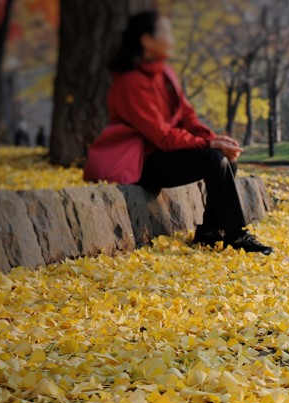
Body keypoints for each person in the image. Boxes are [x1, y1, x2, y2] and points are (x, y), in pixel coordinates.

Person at [91, 11, 272, 254]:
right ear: (147, 40)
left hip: (168, 155)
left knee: (226, 161)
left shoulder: (165, 75)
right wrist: (208, 146)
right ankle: (236, 235)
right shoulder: (129, 83)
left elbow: (188, 117)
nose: (172, 40)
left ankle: (210, 231)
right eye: (166, 33)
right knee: (213, 159)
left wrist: (213, 139)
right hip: (144, 163)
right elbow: (161, 136)